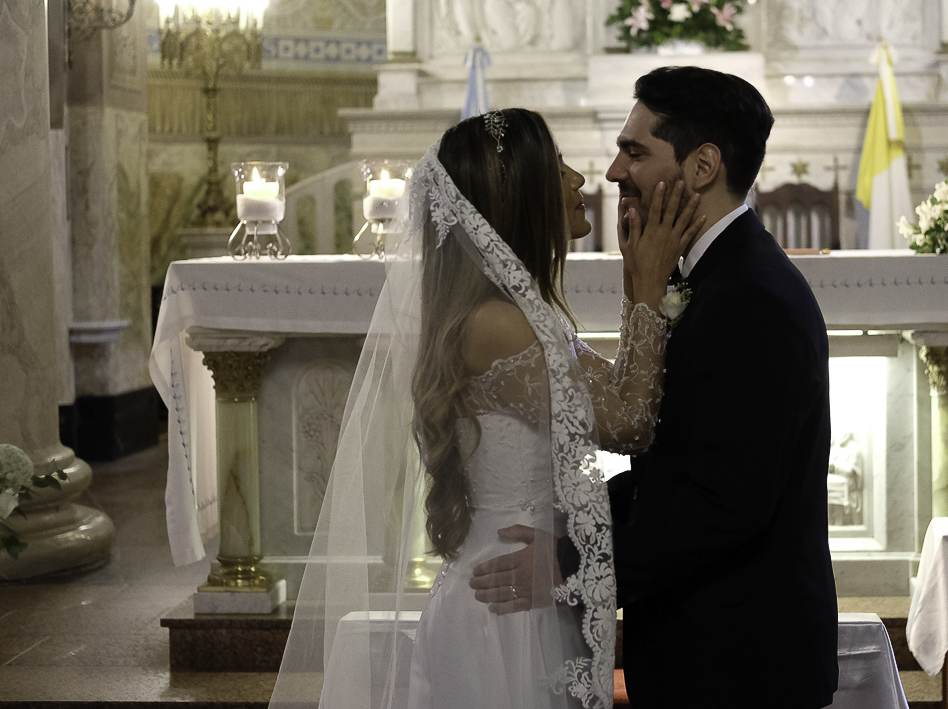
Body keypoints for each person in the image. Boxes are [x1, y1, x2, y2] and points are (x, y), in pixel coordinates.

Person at [268, 108, 704, 709]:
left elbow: (619, 400)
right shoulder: (498, 324)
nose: (581, 179)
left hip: (521, 584)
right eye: (557, 168)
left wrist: (640, 290)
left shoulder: (509, 314)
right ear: (517, 196)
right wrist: (647, 292)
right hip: (506, 610)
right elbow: (629, 423)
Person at [472, 67, 840, 707]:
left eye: (635, 152)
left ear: (702, 167)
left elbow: (723, 502)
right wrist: (566, 527)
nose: (613, 173)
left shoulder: (751, 299)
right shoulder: (713, 280)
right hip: (704, 649)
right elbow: (668, 473)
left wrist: (567, 560)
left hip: (738, 663)